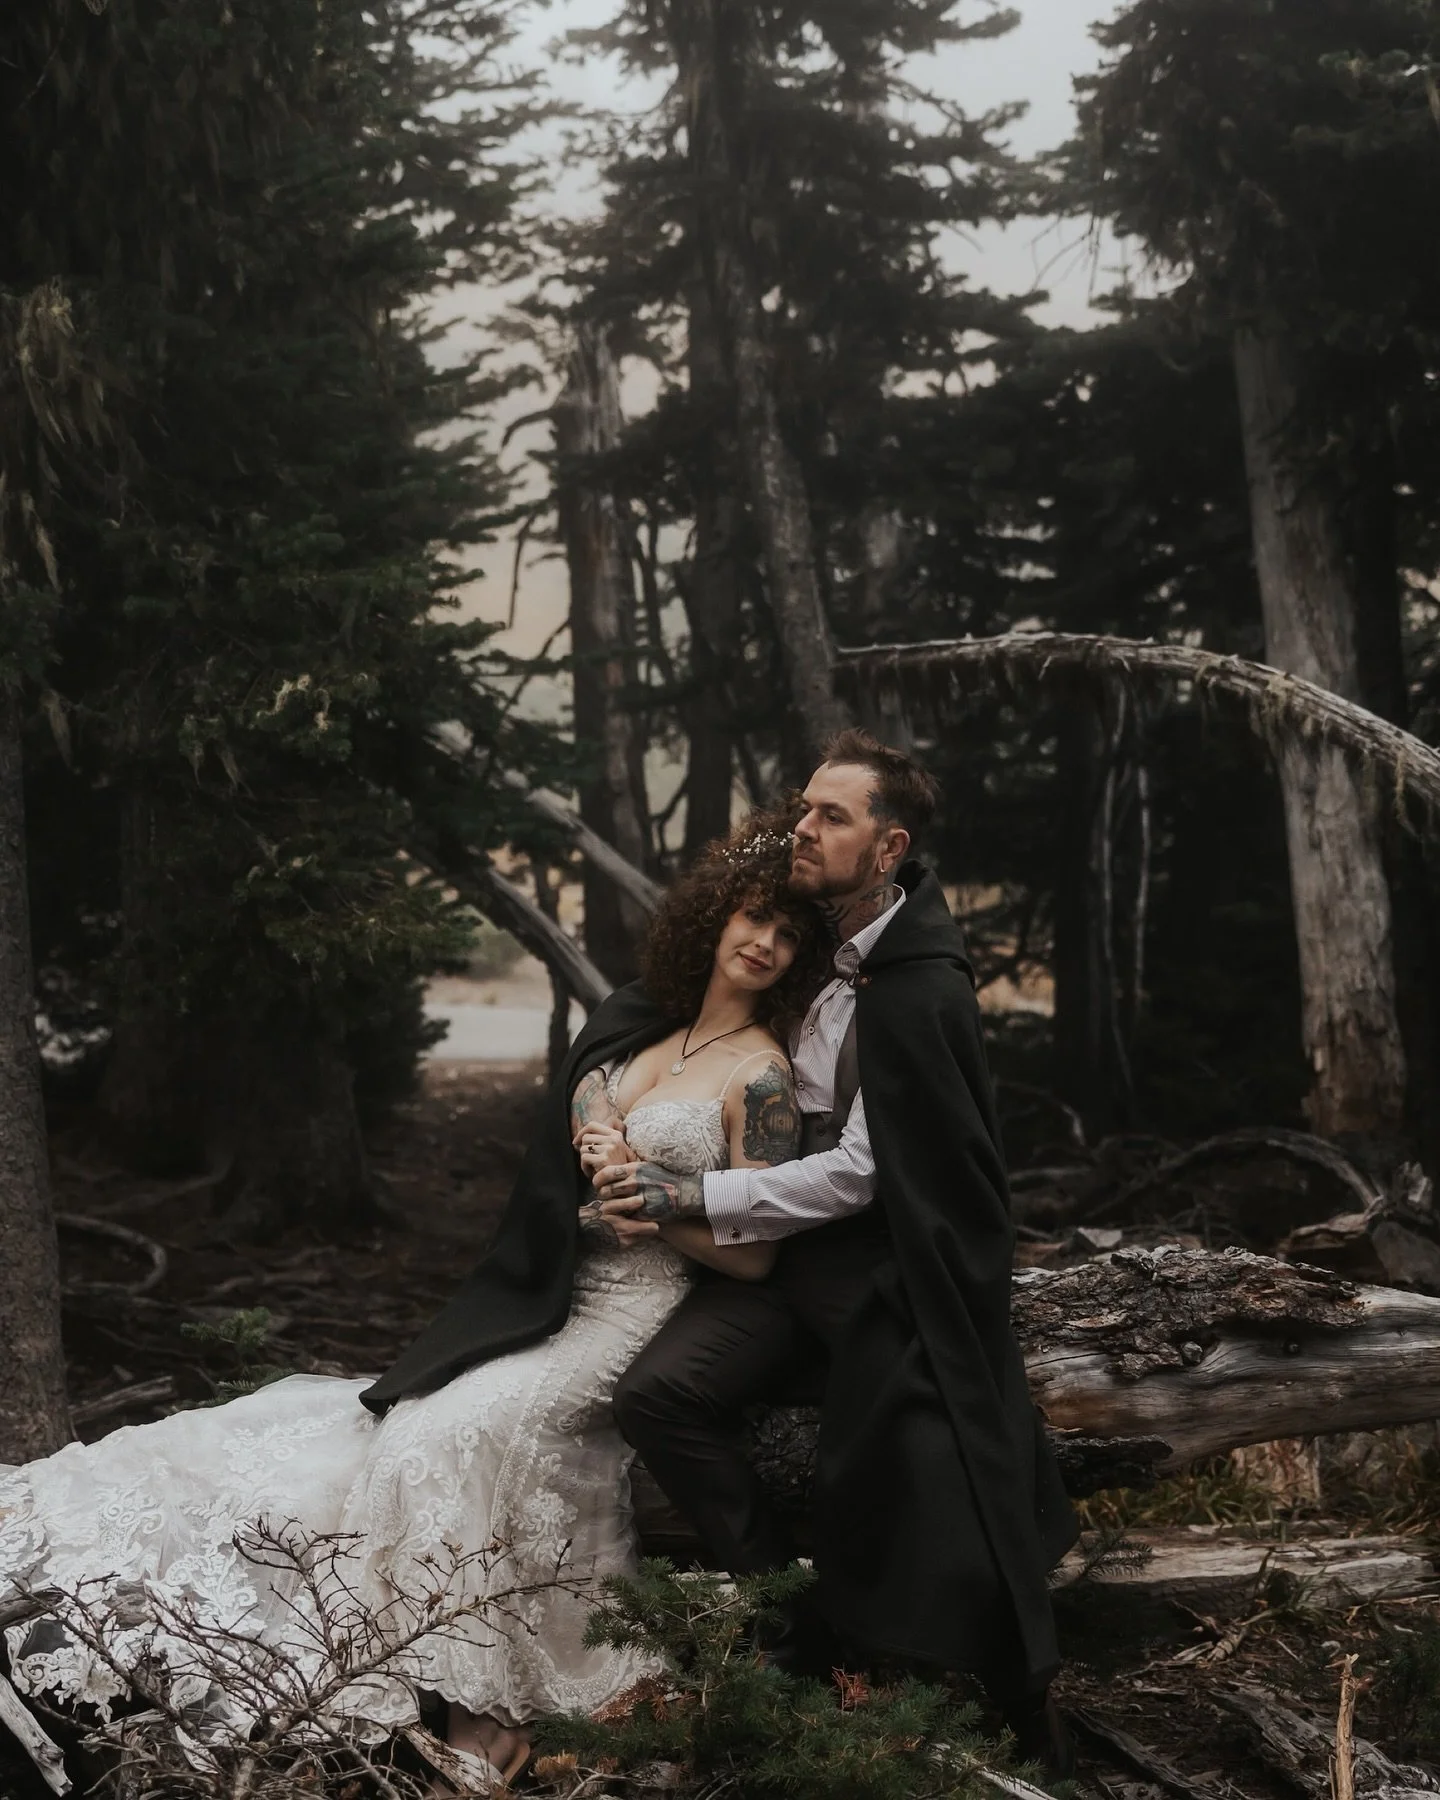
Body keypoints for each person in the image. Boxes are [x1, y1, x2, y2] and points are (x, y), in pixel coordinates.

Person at [0, 819, 827, 1786]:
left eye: (788, 938)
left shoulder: (762, 1074)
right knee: (406, 1426)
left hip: (633, 1310)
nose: (764, 944)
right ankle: (434, 1669)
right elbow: (590, 1094)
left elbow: (758, 1257)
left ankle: (490, 1702)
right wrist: (596, 1135)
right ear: (717, 914)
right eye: (755, 918)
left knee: (469, 1436)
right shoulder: (654, 1021)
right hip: (554, 1295)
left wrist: (660, 1211)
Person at [593, 731, 1079, 1773]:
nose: (802, 829)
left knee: (930, 1434)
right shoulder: (817, 939)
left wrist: (690, 1192)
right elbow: (698, 999)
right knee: (658, 1398)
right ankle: (786, 1614)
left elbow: (866, 1172)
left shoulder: (921, 987)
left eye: (831, 817)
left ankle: (970, 1672)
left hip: (875, 1256)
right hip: (779, 1253)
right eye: (804, 809)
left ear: (890, 846)